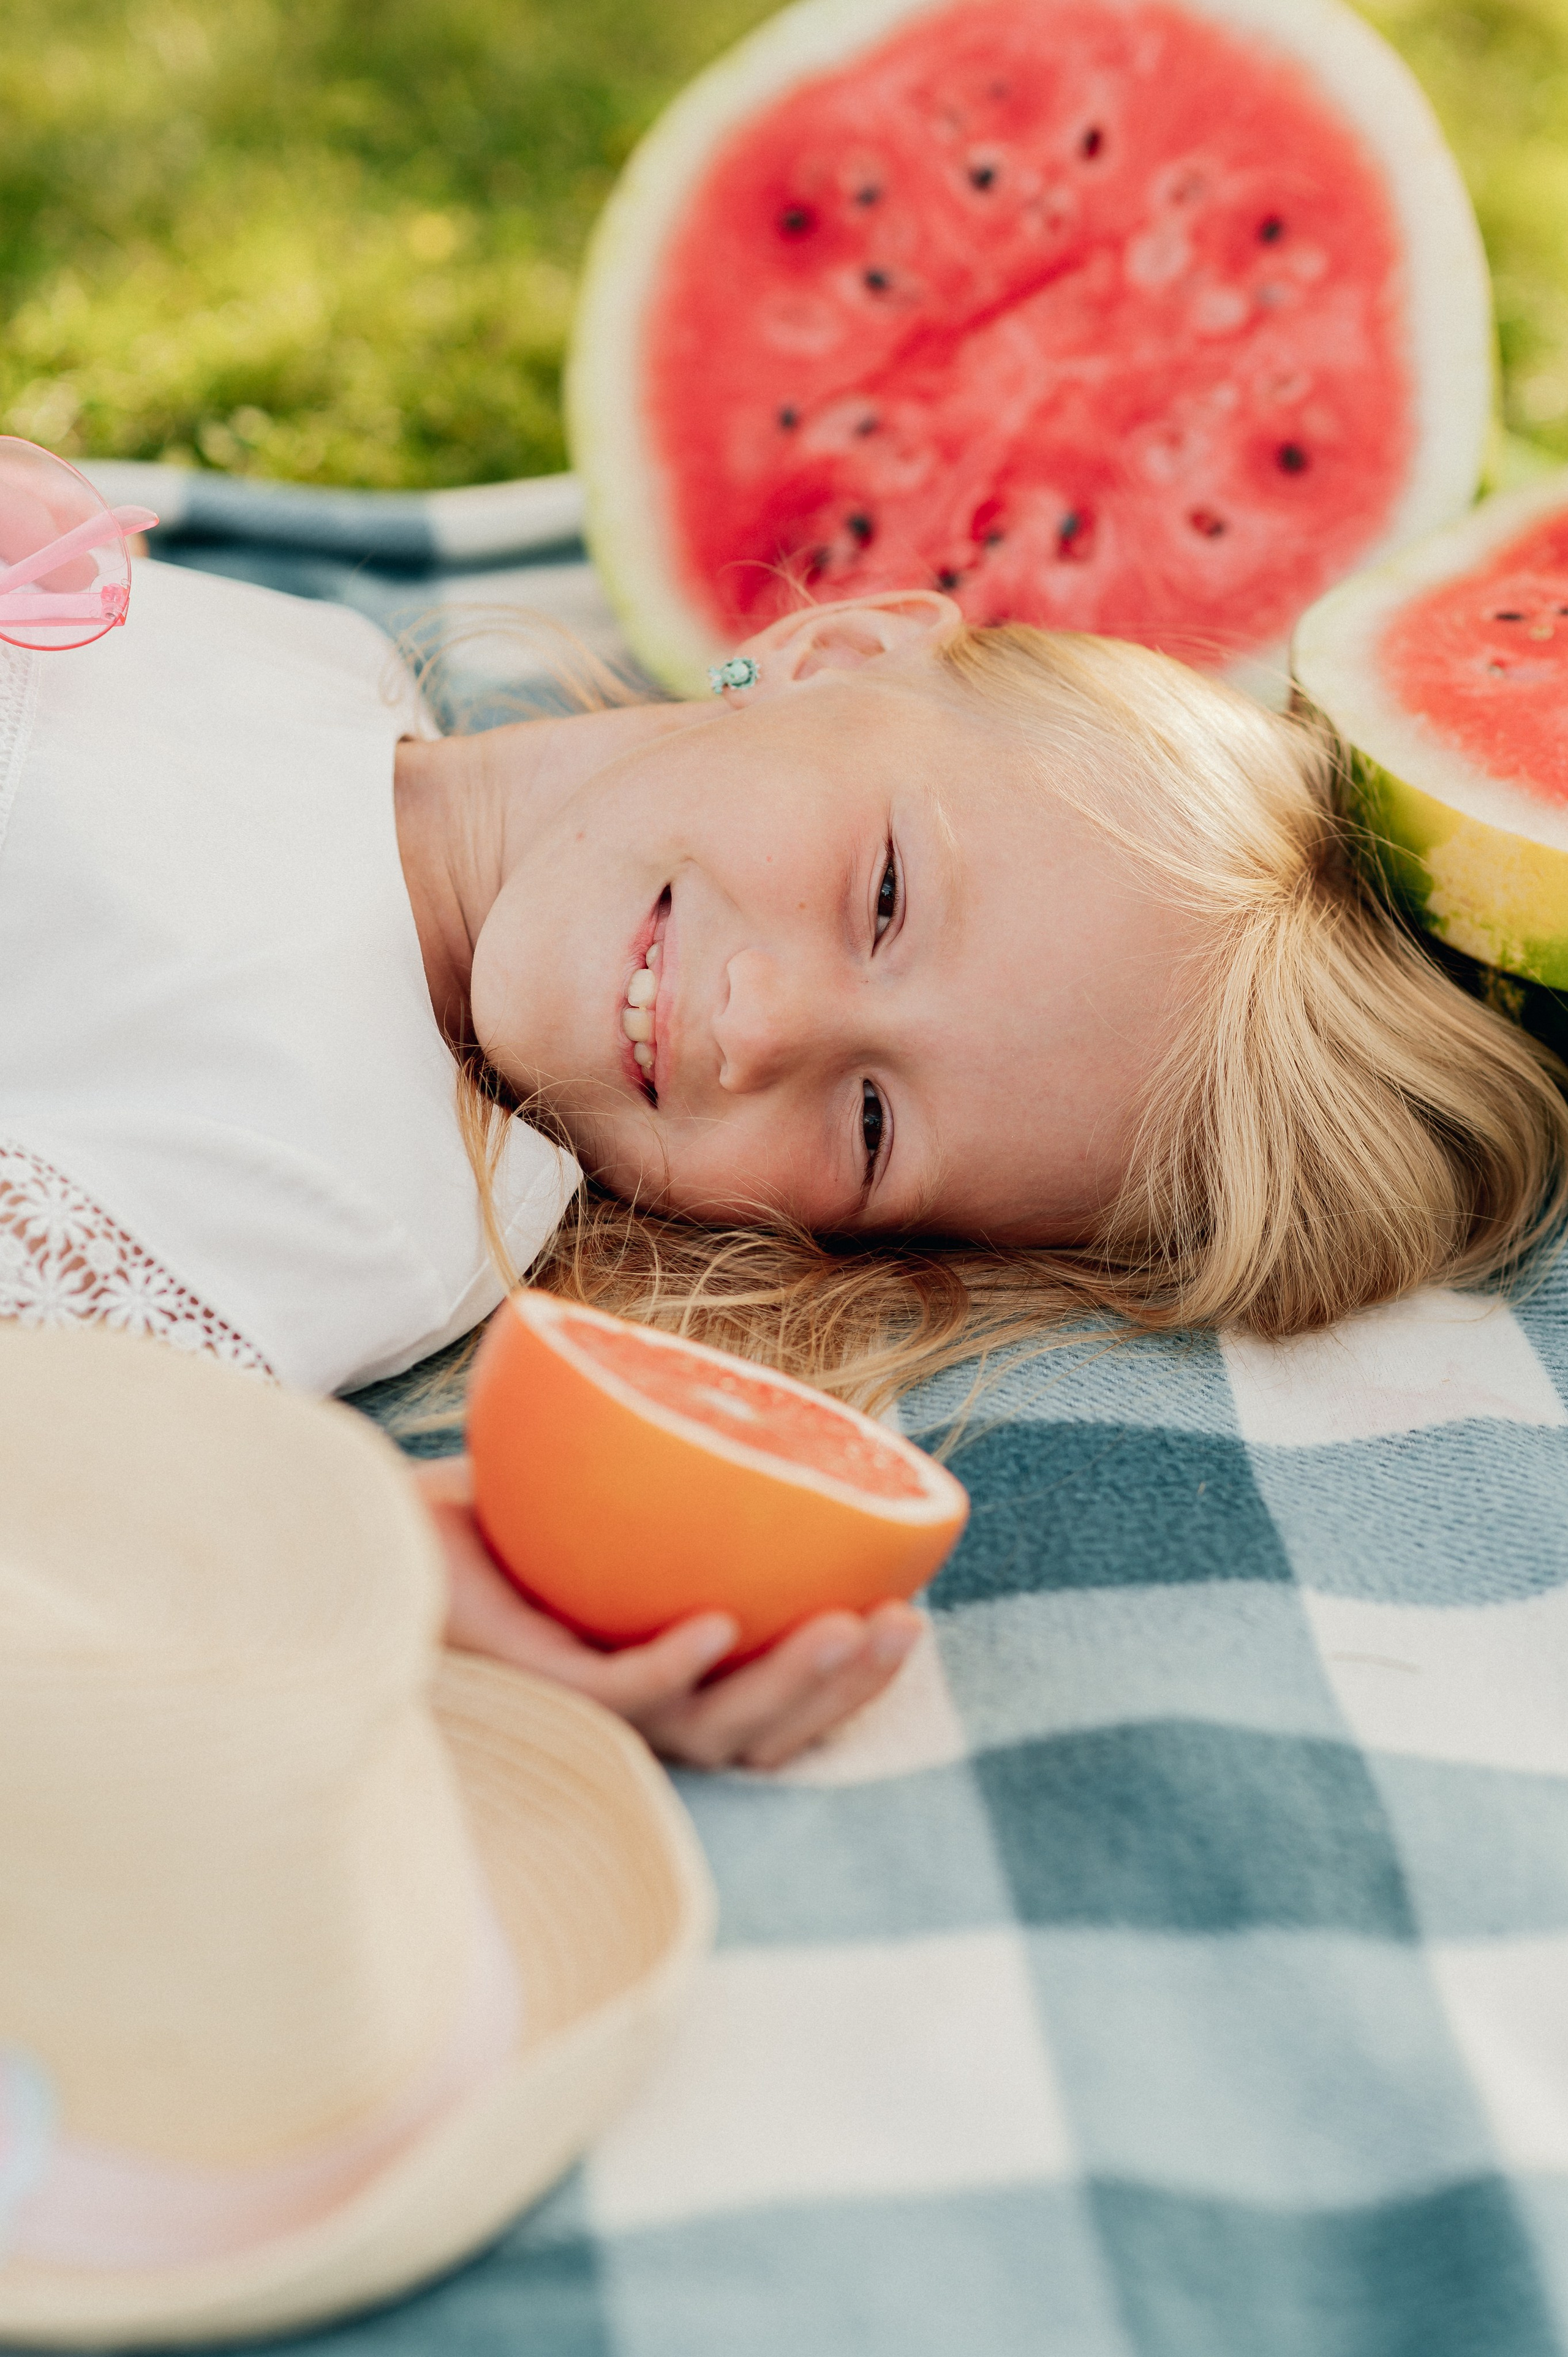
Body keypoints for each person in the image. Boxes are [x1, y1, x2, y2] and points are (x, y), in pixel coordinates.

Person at [3, 554, 1565, 1765]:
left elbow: (71, 1444)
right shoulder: (321, 669)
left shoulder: (348, 1192)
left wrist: (379, 1555)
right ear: (832, 654)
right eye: (883, 895)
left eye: (872, 1123)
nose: (763, 1020)